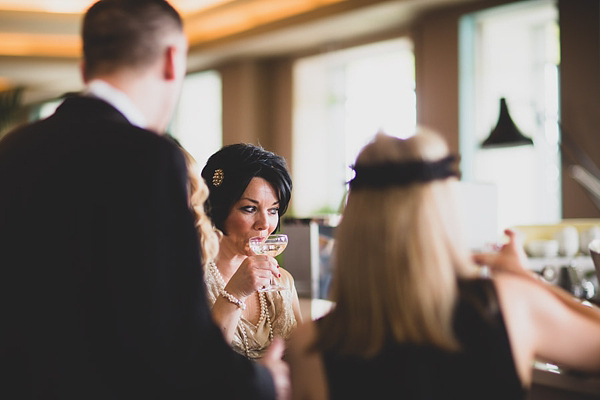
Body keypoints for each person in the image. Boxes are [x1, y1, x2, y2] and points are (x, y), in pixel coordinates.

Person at [0, 1, 288, 399]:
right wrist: (264, 383)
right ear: (173, 60)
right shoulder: (148, 157)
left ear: (86, 67)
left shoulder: (13, 149)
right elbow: (170, 335)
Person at [287, 129, 600, 400]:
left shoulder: (309, 345)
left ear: (353, 228)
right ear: (447, 218)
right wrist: (525, 279)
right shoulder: (510, 304)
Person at [200, 143, 303, 359]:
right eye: (250, 208)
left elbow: (304, 359)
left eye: (273, 210)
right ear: (218, 209)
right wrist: (235, 293)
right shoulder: (191, 283)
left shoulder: (283, 282)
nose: (264, 224)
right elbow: (198, 366)